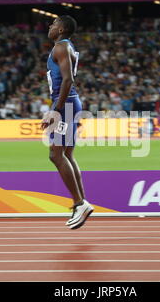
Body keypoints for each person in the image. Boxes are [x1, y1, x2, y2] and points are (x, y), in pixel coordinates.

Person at [40, 15, 94, 230]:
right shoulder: (64, 46)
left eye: (53, 24)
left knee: (55, 154)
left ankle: (79, 203)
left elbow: (68, 79)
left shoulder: (61, 48)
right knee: (68, 155)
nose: (50, 27)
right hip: (70, 104)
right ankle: (81, 203)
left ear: (61, 29)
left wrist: (55, 110)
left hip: (65, 105)